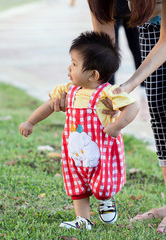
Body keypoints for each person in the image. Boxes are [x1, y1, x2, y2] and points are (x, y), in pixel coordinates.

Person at [56, 0, 166, 233]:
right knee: (157, 102)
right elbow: (103, 55)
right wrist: (86, 93)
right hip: (150, 19)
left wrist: (130, 84)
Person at [19, 31, 139, 230]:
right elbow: (50, 105)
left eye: (74, 64)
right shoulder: (68, 90)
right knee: (77, 184)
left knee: (102, 182)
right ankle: (83, 219)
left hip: (102, 153)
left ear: (93, 75)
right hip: (74, 152)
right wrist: (30, 122)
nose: (69, 67)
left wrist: (116, 126)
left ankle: (106, 199)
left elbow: (133, 107)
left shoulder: (107, 93)